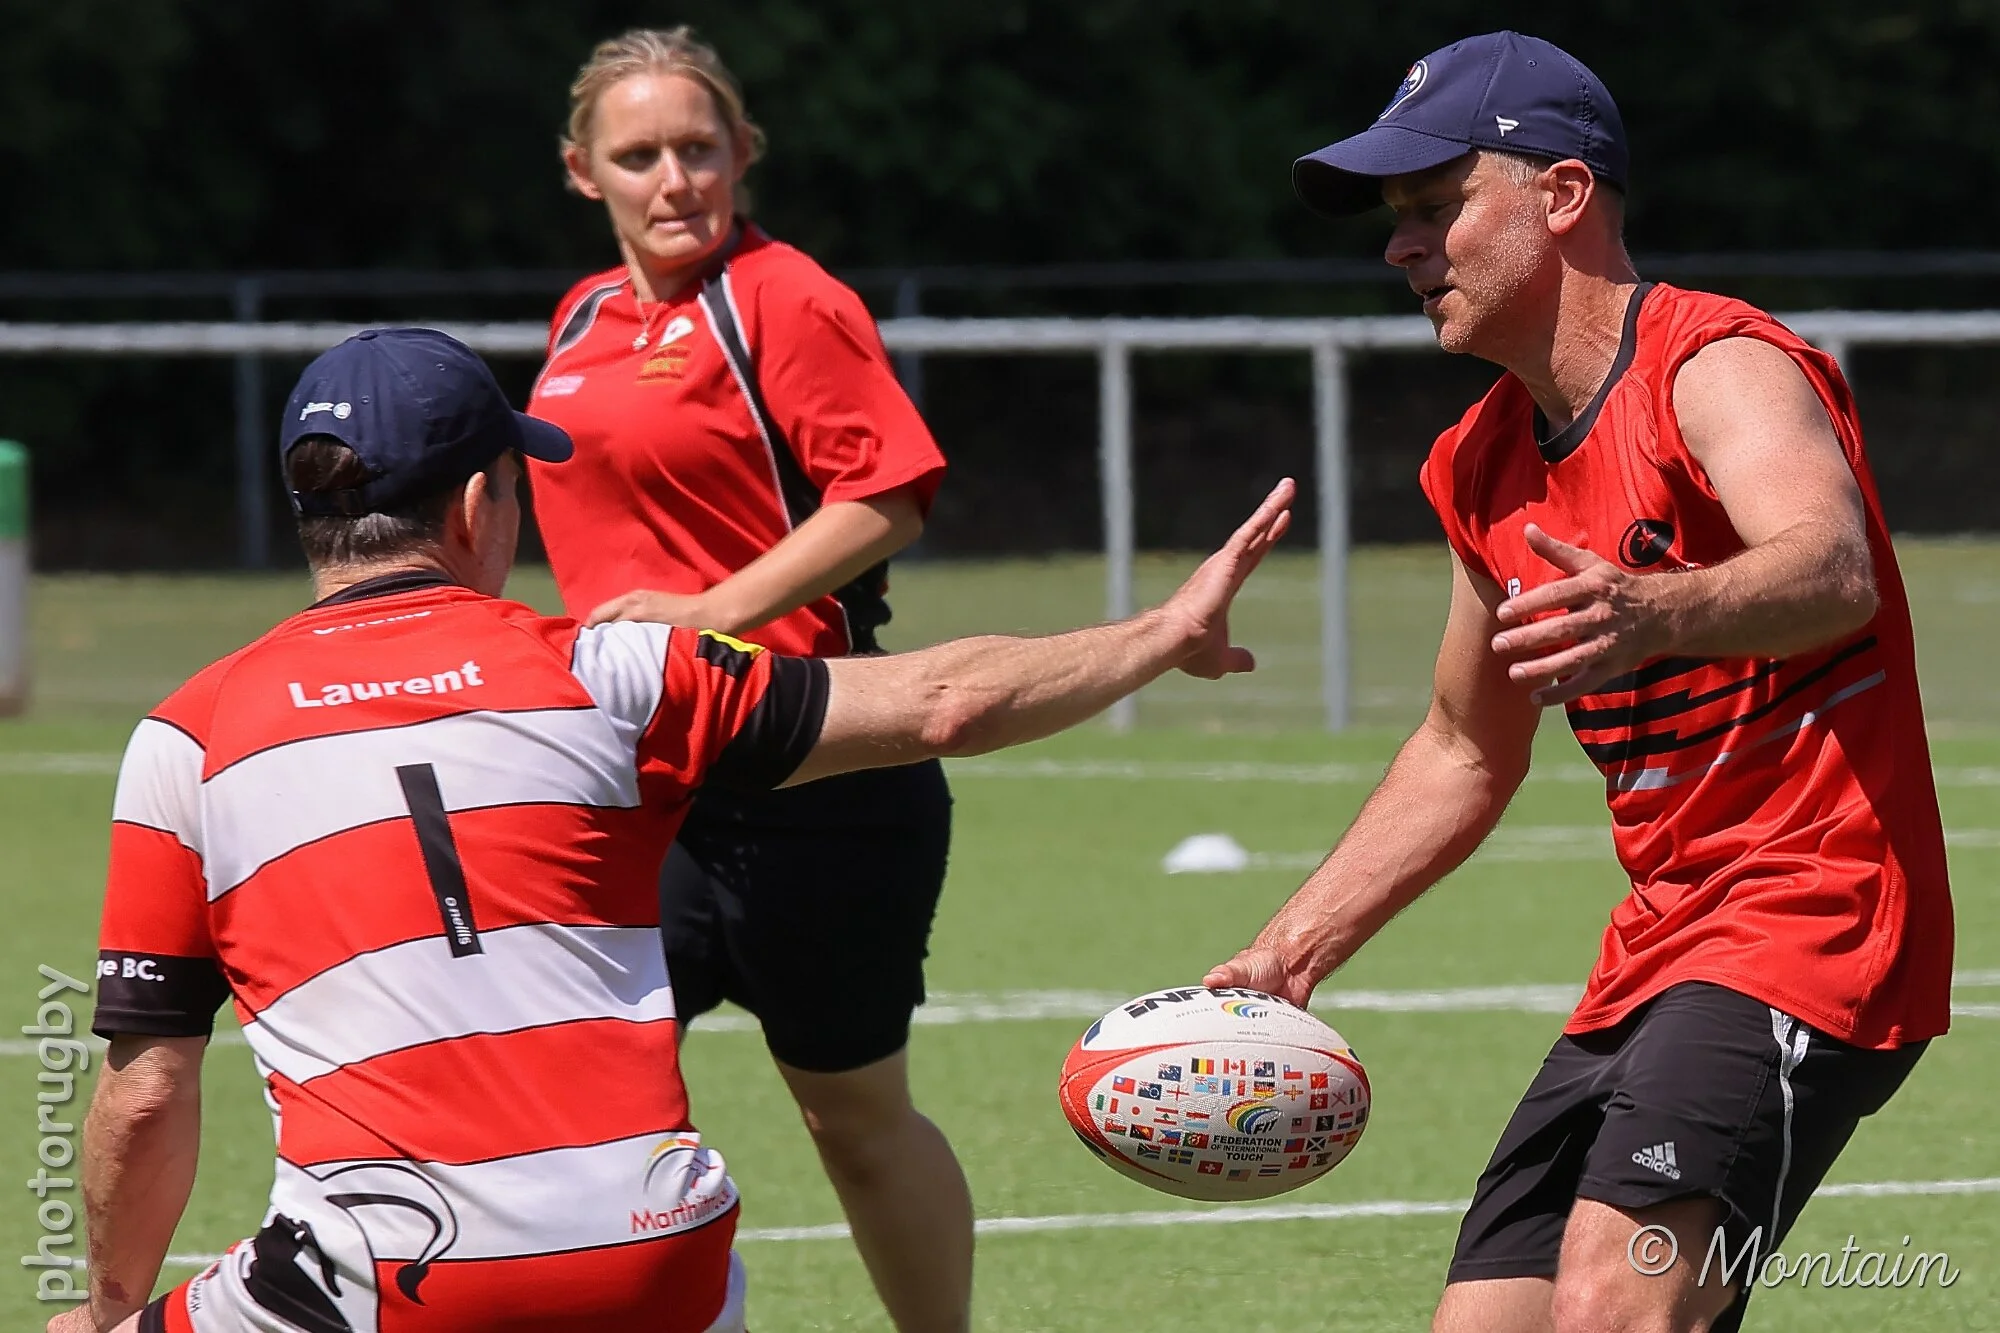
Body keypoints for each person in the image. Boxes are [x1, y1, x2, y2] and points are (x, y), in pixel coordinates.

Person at [55, 327, 1292, 1333]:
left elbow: (148, 1090)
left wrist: (109, 1307)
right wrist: (1157, 634)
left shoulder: (187, 738)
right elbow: (944, 701)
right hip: (654, 1255)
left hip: (381, 1280)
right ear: (486, 501)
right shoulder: (612, 672)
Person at [1203, 32, 1950, 1333]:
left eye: (1436, 209)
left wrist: (1657, 609)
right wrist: (1292, 946)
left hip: (1814, 915)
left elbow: (1833, 567)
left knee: (1618, 1300)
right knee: (1484, 1323)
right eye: (1397, 220)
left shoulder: (1717, 364)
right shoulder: (1479, 463)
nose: (1401, 247)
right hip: (1662, 946)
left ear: (1560, 197)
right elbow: (1462, 745)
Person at [523, 29, 969, 1331]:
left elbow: (890, 494)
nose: (674, 180)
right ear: (580, 171)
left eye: (698, 150)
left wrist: (713, 616)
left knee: (854, 1120)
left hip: (809, 769)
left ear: (743, 157)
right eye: (639, 155)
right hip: (636, 777)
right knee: (570, 1091)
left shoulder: (780, 297)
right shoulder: (584, 317)